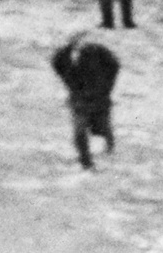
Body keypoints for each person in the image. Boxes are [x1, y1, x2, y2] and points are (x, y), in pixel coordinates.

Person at [51, 33, 121, 171]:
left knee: (91, 131)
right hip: (90, 103)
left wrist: (69, 47)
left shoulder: (75, 71)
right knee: (90, 131)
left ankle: (95, 156)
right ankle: (90, 159)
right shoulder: (78, 70)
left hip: (90, 103)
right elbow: (114, 65)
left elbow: (58, 63)